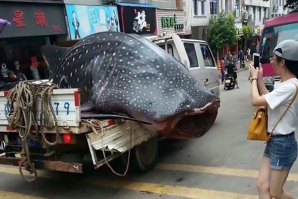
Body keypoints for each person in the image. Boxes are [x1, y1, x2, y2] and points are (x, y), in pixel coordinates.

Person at [249, 39, 298, 199]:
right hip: (274, 141)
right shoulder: (284, 83)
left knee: (275, 192)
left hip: (283, 144)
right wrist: (261, 78)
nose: (271, 61)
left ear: (282, 62)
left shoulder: (290, 86)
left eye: (273, 59)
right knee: (262, 186)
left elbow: (256, 101)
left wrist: (254, 78)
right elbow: (267, 99)